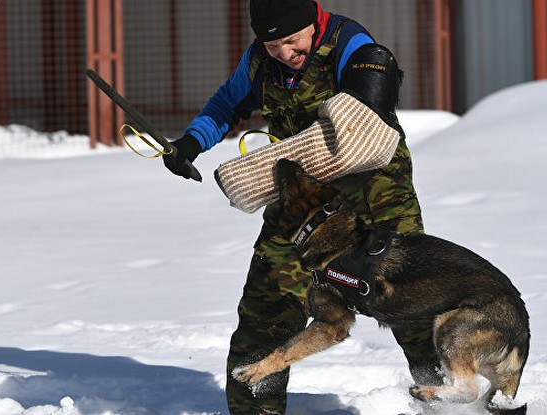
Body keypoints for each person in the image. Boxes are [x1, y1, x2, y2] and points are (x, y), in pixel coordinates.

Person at [163, 1, 438, 413]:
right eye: (272, 45)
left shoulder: (350, 45)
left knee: (413, 306)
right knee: (267, 308)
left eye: (292, 41)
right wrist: (190, 143)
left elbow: (368, 123)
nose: (285, 54)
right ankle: (256, 407)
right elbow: (226, 104)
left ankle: (450, 399)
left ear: (313, 21)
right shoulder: (260, 60)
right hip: (301, 208)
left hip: (376, 201)